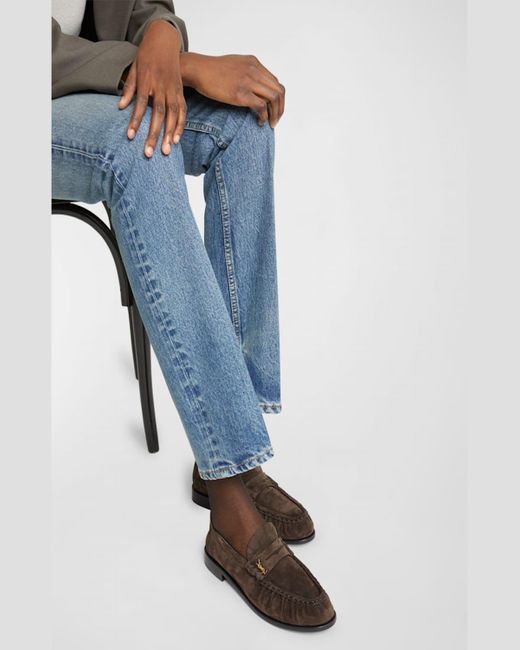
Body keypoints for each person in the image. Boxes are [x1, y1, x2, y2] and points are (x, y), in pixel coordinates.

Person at [52, 0, 336, 631]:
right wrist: (176, 65)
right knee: (140, 150)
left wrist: (160, 32)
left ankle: (231, 455)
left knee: (242, 125)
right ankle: (231, 500)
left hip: (92, 79)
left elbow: (144, 5)